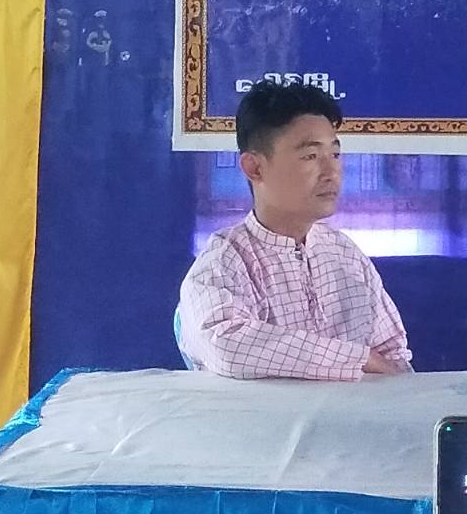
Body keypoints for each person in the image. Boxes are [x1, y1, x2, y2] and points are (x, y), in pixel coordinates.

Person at [177, 80, 412, 379]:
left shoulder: (345, 254)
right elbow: (225, 346)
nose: (331, 172)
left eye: (335, 155)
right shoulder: (225, 261)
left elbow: (392, 356)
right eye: (310, 156)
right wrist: (357, 359)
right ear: (254, 168)